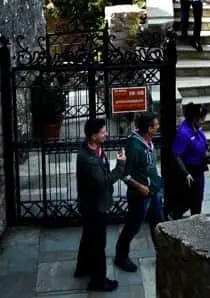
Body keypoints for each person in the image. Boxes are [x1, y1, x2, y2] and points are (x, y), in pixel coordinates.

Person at [75, 118, 127, 293]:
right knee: (98, 244)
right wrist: (120, 166)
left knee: (89, 237)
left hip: (91, 204)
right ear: (93, 136)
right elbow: (104, 182)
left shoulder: (93, 148)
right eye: (103, 132)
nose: (106, 133)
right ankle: (98, 281)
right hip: (95, 207)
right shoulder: (89, 161)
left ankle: (82, 268)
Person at [114, 112, 163, 273]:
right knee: (133, 227)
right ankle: (121, 257)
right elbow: (125, 174)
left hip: (153, 192)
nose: (158, 127)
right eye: (156, 125)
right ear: (149, 129)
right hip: (140, 196)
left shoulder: (148, 142)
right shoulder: (134, 147)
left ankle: (162, 255)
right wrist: (139, 187)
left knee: (158, 223)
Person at [169, 103, 210, 218]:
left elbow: (201, 142)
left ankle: (196, 221)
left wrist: (209, 147)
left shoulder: (197, 128)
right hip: (189, 173)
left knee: (197, 200)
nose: (203, 121)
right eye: (201, 119)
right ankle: (174, 217)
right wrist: (186, 173)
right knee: (188, 200)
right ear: (194, 118)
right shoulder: (183, 134)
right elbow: (176, 154)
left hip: (199, 169)